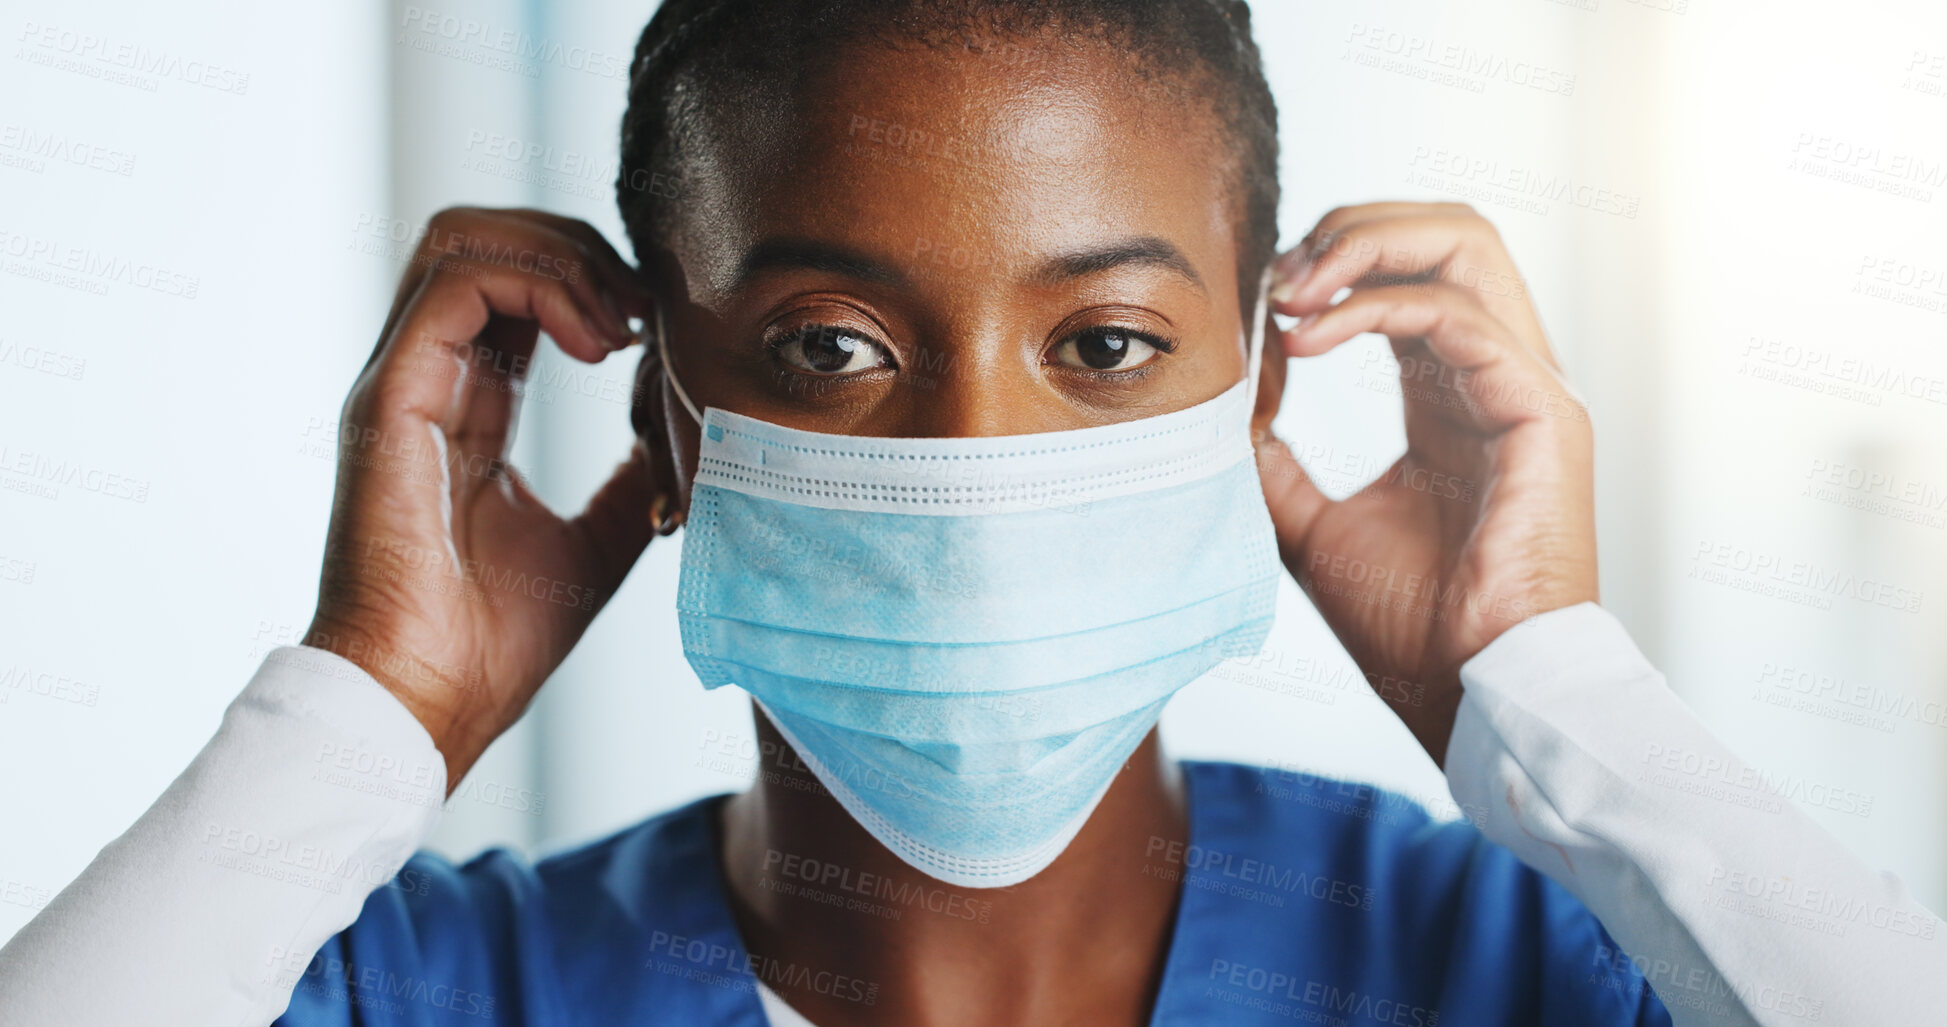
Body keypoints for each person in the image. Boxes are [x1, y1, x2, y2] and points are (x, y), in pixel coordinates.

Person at [1, 1, 1940, 1024]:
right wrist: (364, 705)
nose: (972, 463)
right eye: (830, 345)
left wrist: (1549, 692)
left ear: (1252, 386)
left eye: (1100, 342)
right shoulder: (430, 994)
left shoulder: (1515, 964)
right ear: (661, 407)